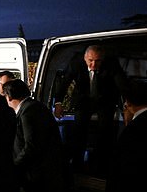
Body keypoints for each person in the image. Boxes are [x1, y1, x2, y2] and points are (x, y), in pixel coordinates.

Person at [53, 45, 127, 177]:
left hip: (105, 99)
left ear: (102, 59)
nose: (93, 64)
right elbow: (64, 83)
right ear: (85, 58)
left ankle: (101, 166)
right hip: (83, 99)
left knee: (105, 130)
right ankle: (77, 165)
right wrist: (58, 103)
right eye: (90, 60)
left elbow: (121, 84)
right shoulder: (76, 63)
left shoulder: (111, 64)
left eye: (97, 61)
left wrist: (128, 105)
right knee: (79, 129)